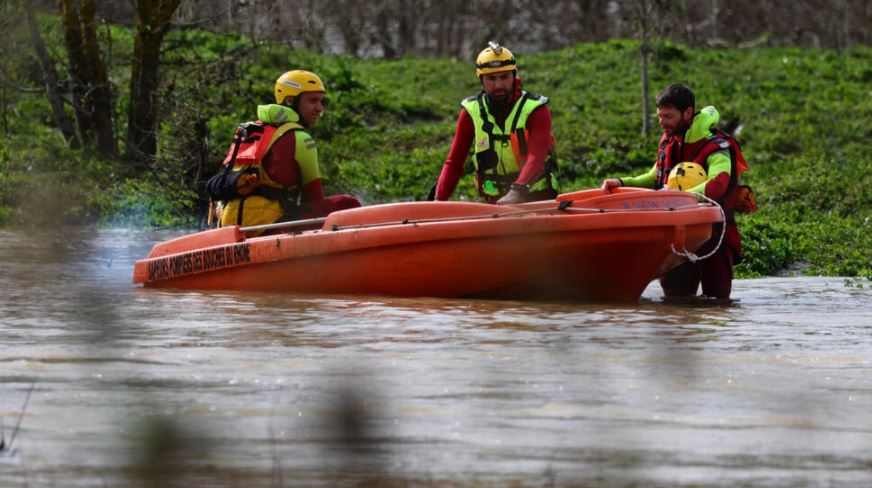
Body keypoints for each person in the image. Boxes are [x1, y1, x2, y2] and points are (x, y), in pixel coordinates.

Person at [601, 83, 747, 299]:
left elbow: (719, 183)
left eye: (668, 116)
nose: (662, 123)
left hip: (714, 235)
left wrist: (678, 198)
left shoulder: (717, 147)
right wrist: (621, 182)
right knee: (674, 301)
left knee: (717, 304)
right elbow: (654, 177)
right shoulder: (668, 141)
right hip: (674, 238)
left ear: (688, 113)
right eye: (660, 116)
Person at [206, 70, 360, 233]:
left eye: (321, 101)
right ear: (290, 101)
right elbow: (314, 198)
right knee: (348, 203)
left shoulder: (248, 131)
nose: (320, 109)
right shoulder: (300, 138)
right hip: (269, 230)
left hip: (230, 231)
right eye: (313, 101)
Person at [433, 42, 560, 205]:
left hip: (538, 201)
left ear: (514, 76)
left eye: (504, 77)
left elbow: (537, 157)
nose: (499, 85)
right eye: (491, 78)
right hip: (495, 205)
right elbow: (454, 163)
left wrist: (517, 190)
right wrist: (438, 201)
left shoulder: (536, 110)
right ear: (481, 80)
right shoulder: (470, 112)